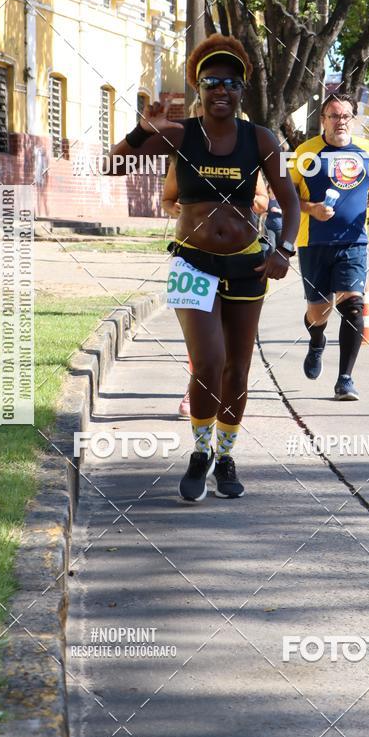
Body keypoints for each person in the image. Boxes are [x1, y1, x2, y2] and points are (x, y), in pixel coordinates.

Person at [110, 33, 299, 502]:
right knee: (209, 363)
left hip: (247, 266)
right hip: (192, 264)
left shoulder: (260, 139)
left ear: (241, 90)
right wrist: (142, 130)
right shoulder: (180, 134)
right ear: (199, 87)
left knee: (237, 370)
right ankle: (200, 452)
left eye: (232, 83)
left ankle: (226, 455)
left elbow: (290, 198)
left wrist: (284, 250)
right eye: (212, 81)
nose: (222, 90)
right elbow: (115, 165)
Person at [289, 93, 369, 401]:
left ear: (353, 120)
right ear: (323, 120)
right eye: (334, 116)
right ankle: (316, 340)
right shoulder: (306, 153)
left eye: (346, 116)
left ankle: (345, 379)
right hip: (313, 242)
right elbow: (287, 195)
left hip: (354, 241)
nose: (341, 121)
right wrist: (311, 208)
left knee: (353, 305)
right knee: (319, 311)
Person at [164, 171, 270, 420]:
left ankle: (224, 413)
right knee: (203, 343)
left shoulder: (247, 155)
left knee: (230, 351)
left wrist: (240, 201)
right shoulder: (183, 156)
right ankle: (195, 388)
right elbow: (167, 200)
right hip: (193, 259)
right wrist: (177, 208)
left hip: (239, 261)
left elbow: (263, 201)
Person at [263, 185, 283, 252]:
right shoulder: (267, 199)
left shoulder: (280, 199)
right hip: (269, 227)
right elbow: (263, 210)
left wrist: (277, 210)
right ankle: (270, 258)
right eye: (271, 187)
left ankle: (277, 258)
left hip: (280, 227)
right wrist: (264, 213)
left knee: (279, 248)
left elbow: (286, 211)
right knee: (271, 247)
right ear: (268, 189)